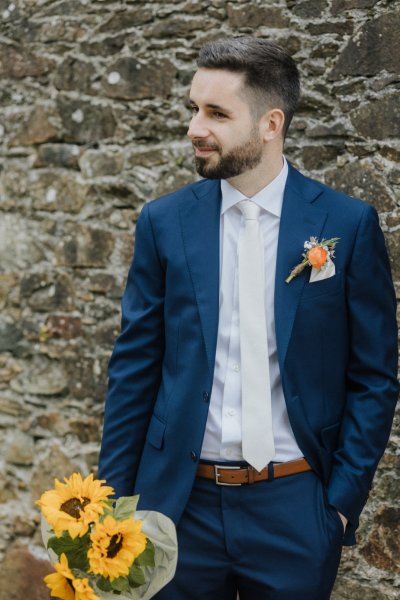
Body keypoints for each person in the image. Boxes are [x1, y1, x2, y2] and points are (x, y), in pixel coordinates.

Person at [98, 37, 399, 599]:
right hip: (176, 509)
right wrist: (112, 506)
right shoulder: (164, 222)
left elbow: (374, 376)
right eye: (193, 108)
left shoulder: (347, 223)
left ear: (270, 124)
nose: (194, 127)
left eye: (216, 113)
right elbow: (134, 369)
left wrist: (337, 507)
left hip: (295, 506)